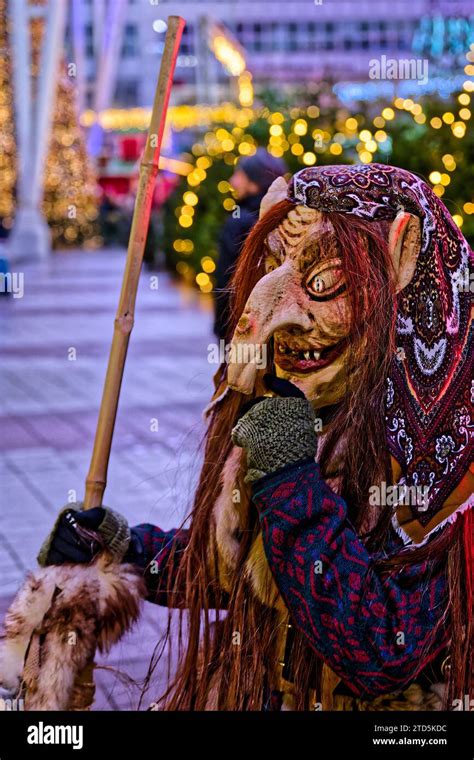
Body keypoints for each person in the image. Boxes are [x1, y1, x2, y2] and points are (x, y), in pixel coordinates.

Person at [27, 164, 474, 710]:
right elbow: (236, 570)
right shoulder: (312, 408)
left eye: (323, 282)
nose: (268, 318)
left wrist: (290, 478)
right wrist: (124, 548)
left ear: (402, 272)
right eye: (270, 268)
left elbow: (383, 649)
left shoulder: (454, 469)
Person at [213, 148, 287, 339]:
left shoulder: (240, 222)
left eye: (239, 175)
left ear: (254, 183)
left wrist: (223, 328)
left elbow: (228, 281)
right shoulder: (285, 217)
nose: (232, 182)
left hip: (240, 328)